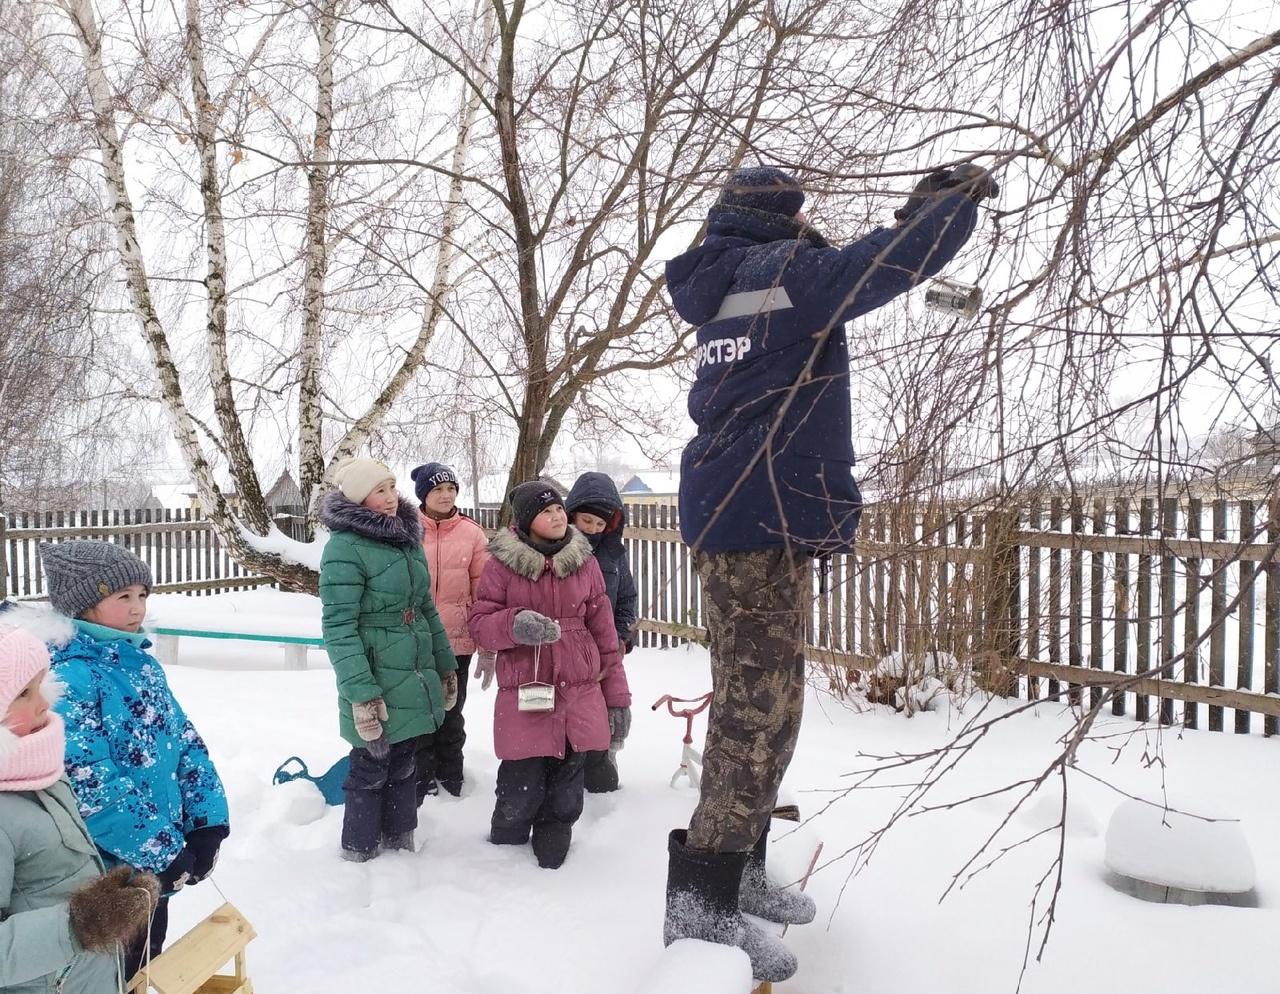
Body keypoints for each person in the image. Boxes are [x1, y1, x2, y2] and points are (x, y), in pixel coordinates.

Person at [661, 163, 996, 981]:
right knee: (752, 712)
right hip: (752, 513)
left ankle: (739, 868)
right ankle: (699, 902)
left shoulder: (731, 278)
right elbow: (878, 268)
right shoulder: (774, 274)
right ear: (783, 219)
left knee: (774, 706)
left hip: (752, 512)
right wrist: (944, 209)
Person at [36, 540, 229, 979]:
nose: (138, 607)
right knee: (111, 972)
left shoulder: (141, 665)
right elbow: (89, 784)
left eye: (143, 594)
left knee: (147, 958)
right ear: (82, 605)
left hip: (154, 866)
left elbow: (184, 743)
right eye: (122, 596)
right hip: (105, 876)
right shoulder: (69, 677)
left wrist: (206, 823)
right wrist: (161, 850)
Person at [468, 482, 631, 869]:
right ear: (527, 522)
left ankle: (555, 838)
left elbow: (606, 635)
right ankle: (504, 848)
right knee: (519, 786)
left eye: (559, 509)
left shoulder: (585, 562)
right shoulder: (501, 566)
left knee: (567, 787)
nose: (558, 516)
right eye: (547, 511)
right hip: (526, 687)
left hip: (578, 692)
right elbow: (480, 624)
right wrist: (514, 624)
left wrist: (618, 698)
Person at [0, 625, 161, 994]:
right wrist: (77, 925)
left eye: (41, 684)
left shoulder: (35, 766)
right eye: (23, 693)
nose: (43, 702)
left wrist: (109, 899)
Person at [319, 457, 459, 861]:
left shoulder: (405, 538)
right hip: (374, 672)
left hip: (413, 669)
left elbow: (426, 609)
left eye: (391, 486)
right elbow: (339, 628)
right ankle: (359, 850)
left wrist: (445, 665)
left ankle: (399, 840)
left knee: (403, 762)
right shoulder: (343, 548)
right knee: (370, 766)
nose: (389, 497)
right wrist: (361, 694)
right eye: (378, 490)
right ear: (359, 497)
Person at [408, 461, 496, 800]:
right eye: (437, 490)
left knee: (450, 710)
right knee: (419, 709)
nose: (445, 495)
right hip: (415, 639)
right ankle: (421, 776)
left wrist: (485, 642)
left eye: (450, 489)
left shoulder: (472, 533)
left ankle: (451, 774)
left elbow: (484, 590)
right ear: (423, 495)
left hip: (456, 639)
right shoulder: (407, 529)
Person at [564, 471, 637, 792]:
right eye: (587, 520)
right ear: (572, 516)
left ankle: (602, 767)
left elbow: (627, 598)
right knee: (572, 709)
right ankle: (568, 767)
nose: (593, 529)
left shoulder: (614, 556)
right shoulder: (562, 551)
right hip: (570, 650)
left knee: (608, 710)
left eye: (600, 524)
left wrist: (622, 635)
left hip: (606, 649)